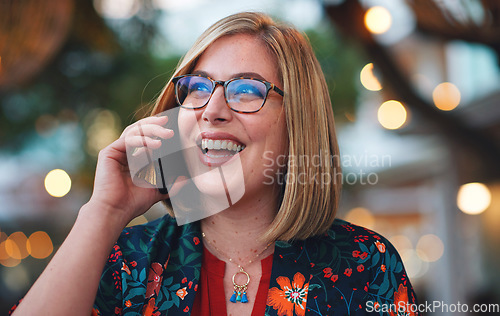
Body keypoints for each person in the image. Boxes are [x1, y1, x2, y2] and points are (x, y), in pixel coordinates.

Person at [11, 12, 418, 316]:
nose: (212, 110)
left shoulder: (367, 261)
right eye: (198, 87)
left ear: (299, 122)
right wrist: (104, 212)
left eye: (245, 90)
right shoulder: (127, 260)